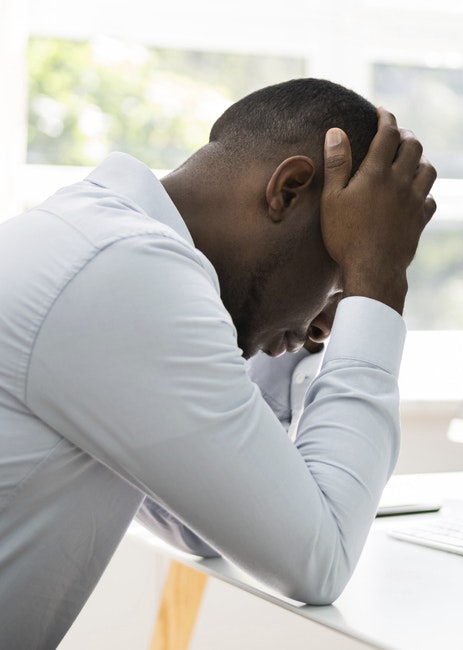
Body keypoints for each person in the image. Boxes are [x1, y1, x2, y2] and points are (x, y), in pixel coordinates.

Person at [0, 77, 436, 648]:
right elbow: (319, 560)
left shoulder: (96, 238)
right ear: (288, 189)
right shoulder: (127, 272)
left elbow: (198, 525)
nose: (316, 330)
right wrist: (376, 288)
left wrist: (309, 321)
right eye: (338, 277)